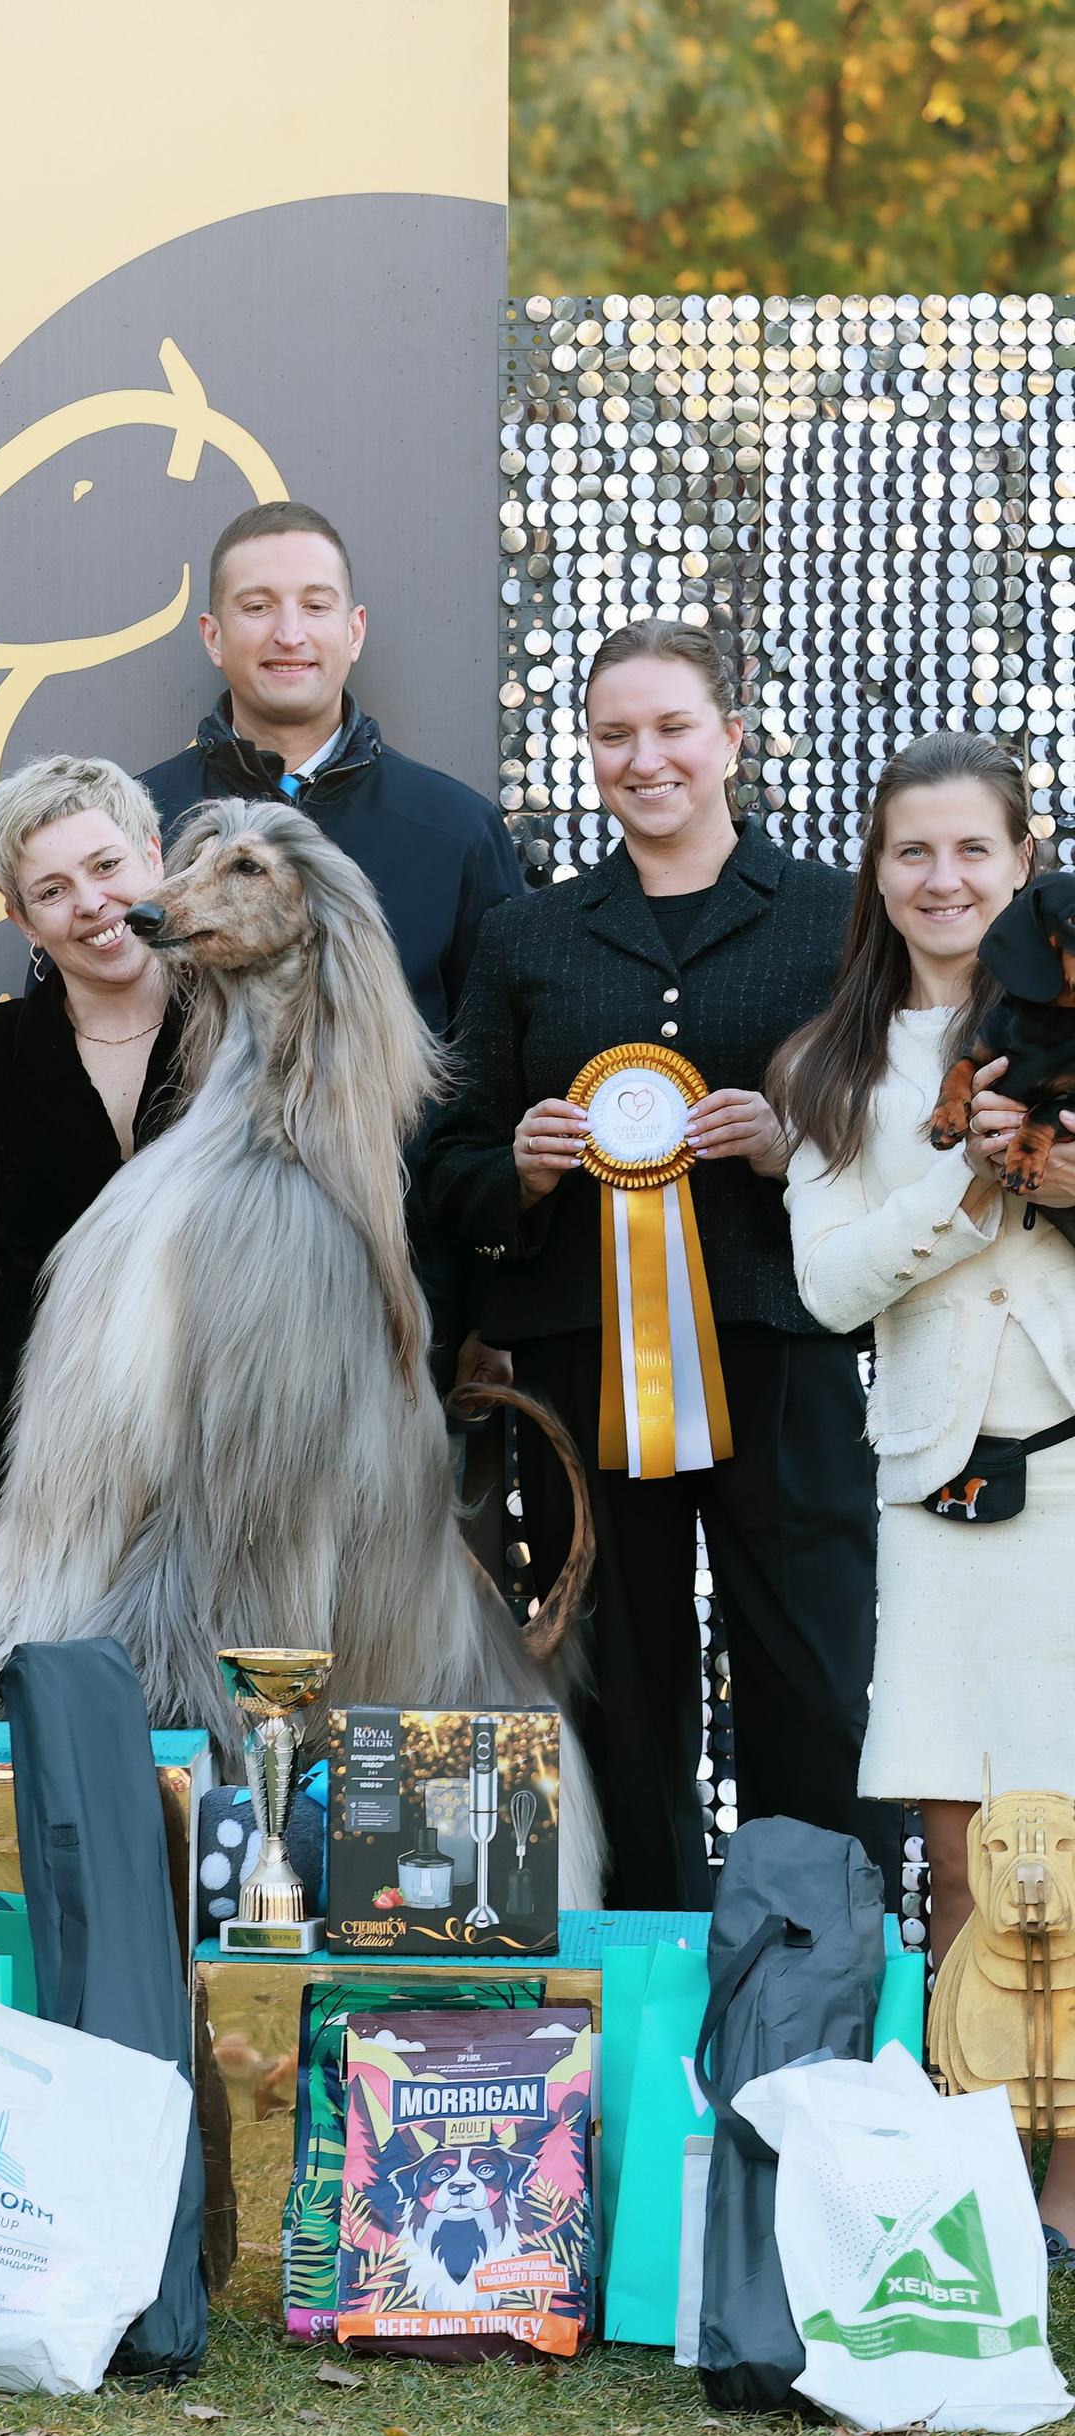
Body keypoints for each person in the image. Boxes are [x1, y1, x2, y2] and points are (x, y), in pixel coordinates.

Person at [420, 618, 892, 1911]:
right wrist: (513, 1164)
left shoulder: (836, 921)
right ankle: (645, 1984)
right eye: (615, 734)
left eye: (673, 727)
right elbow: (447, 1155)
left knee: (810, 1674)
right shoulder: (531, 937)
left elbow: (908, 1130)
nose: (645, 759)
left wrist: (803, 1144)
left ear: (732, 739)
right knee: (619, 1687)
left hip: (785, 1349)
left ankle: (817, 1983)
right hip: (582, 1365)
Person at [775, 734, 1075, 2159]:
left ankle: (1074, 2179)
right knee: (959, 1861)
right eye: (915, 852)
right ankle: (978, 2171)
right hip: (938, 1495)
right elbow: (829, 1287)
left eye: (974, 850)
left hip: (1073, 1466)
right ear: (878, 876)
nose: (945, 877)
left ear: (1026, 863)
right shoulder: (832, 1067)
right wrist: (964, 1191)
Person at [0, 755, 188, 1599]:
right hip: (21, 1453)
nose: (91, 904)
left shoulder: (249, 1027)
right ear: (22, 921)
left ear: (154, 859)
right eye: (52, 891)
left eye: (106, 867)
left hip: (217, 1439)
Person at [136, 498, 521, 1036]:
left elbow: (500, 1058)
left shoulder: (457, 830)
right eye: (256, 607)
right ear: (213, 636)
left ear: (355, 631)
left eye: (316, 606)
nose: (290, 634)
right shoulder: (134, 826)